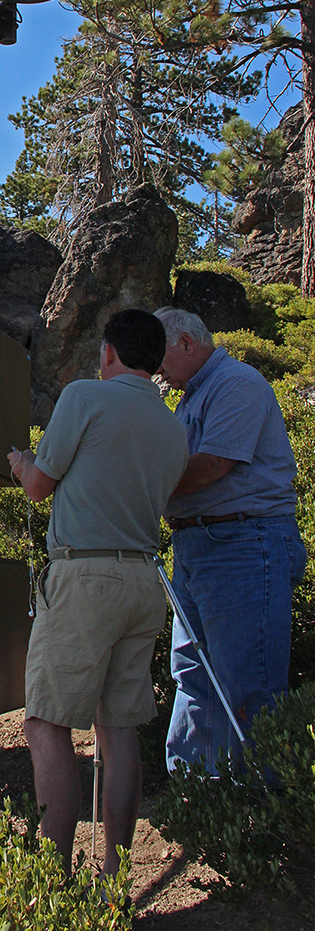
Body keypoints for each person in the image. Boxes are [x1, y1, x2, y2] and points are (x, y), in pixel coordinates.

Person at [8, 309, 188, 882]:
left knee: (46, 723)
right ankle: (114, 871)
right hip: (144, 580)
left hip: (85, 579)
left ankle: (53, 880)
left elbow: (39, 488)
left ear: (108, 352)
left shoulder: (86, 396)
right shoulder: (172, 425)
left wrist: (20, 463)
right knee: (119, 730)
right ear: (157, 360)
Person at [154, 307, 307, 774]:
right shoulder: (191, 398)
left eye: (160, 356)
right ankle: (197, 797)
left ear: (186, 343)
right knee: (194, 676)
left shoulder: (236, 383)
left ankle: (265, 813)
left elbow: (212, 465)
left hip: (242, 545)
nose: (157, 369)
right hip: (201, 547)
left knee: (249, 685)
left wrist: (138, 487)